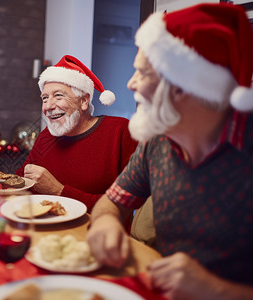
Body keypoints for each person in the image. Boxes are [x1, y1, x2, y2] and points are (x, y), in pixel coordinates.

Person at [86, 3, 253, 299]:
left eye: (142, 73)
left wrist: (214, 289)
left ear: (181, 86)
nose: (130, 83)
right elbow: (112, 202)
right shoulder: (158, 140)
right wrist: (105, 223)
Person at [16, 55, 138, 212]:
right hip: (44, 228)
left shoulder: (120, 131)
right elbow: (21, 179)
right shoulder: (47, 135)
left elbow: (125, 203)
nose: (48, 106)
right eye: (45, 98)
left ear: (84, 101)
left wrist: (59, 191)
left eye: (58, 95)